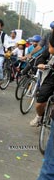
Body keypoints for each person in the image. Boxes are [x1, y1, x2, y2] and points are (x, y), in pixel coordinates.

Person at [37, 36, 54, 180]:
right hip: (50, 77)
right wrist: (41, 63)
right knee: (40, 102)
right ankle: (39, 116)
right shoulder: (48, 48)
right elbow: (41, 57)